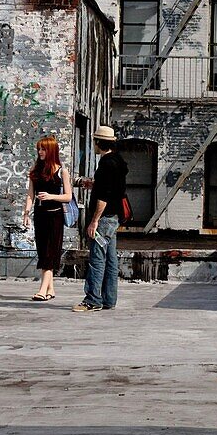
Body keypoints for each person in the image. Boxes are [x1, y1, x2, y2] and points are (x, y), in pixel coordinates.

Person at [73, 125, 127, 313]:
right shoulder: (118, 161)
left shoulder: (106, 164)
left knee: (97, 259)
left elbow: (104, 196)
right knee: (111, 259)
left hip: (104, 220)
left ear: (98, 142)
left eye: (94, 141)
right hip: (114, 217)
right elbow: (112, 186)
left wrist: (95, 220)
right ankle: (109, 299)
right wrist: (94, 184)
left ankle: (93, 300)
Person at [22, 136, 72, 301]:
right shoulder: (35, 170)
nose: (40, 152)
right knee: (43, 251)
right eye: (39, 149)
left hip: (55, 216)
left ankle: (42, 290)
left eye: (43, 149)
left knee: (50, 253)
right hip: (40, 215)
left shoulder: (61, 171)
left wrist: (51, 196)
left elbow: (68, 196)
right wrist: (26, 212)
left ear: (51, 151)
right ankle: (50, 288)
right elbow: (30, 194)